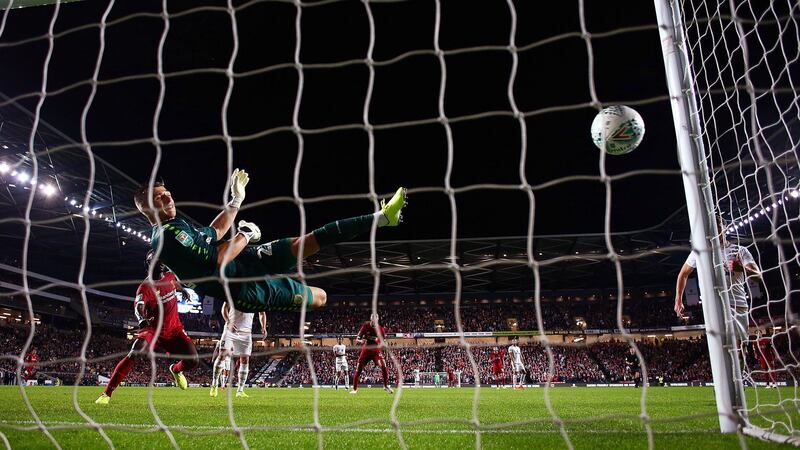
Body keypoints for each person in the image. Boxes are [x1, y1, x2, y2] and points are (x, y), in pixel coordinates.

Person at [134, 171, 407, 315]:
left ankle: (383, 218)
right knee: (320, 297)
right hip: (245, 291)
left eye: (168, 193)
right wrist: (245, 234)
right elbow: (218, 261)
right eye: (160, 198)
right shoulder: (167, 235)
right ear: (145, 207)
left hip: (243, 260)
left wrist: (235, 202)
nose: (169, 198)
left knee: (305, 241)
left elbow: (214, 232)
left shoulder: (175, 225)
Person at [96, 252, 199, 405]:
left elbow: (174, 283)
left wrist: (182, 290)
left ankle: (176, 370)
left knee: (194, 361)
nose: (162, 261)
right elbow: (139, 306)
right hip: (153, 330)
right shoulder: (145, 287)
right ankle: (107, 393)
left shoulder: (169, 276)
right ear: (149, 263)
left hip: (174, 329)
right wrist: (141, 319)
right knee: (135, 352)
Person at [674, 217, 762, 344]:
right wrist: (678, 299)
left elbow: (758, 276)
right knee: (719, 348)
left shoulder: (740, 250)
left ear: (725, 228)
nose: (715, 229)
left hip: (737, 306)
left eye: (718, 226)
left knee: (739, 349)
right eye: (712, 227)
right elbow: (683, 274)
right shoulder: (700, 252)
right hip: (713, 306)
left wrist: (740, 267)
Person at [210, 301, 266, 398]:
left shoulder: (257, 297)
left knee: (245, 359)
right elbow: (224, 309)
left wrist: (264, 327)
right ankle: (214, 384)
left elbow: (262, 313)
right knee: (222, 355)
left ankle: (240, 391)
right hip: (230, 329)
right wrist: (229, 322)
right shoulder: (234, 292)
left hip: (246, 332)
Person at [350, 313, 393, 394]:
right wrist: (361, 341)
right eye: (373, 318)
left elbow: (384, 341)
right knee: (358, 369)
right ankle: (355, 389)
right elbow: (357, 339)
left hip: (376, 351)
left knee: (384, 366)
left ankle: (386, 386)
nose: (374, 320)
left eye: (376, 319)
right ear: (371, 319)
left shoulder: (381, 329)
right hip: (366, 350)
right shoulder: (365, 327)